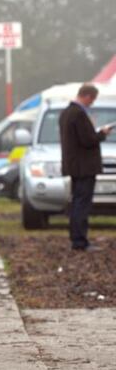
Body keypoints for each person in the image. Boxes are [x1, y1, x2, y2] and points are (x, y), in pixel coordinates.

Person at [60, 83, 112, 251]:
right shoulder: (79, 114)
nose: (92, 103)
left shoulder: (66, 113)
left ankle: (76, 238)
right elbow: (88, 140)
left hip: (74, 165)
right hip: (85, 166)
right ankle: (80, 241)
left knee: (77, 202)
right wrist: (102, 133)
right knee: (82, 203)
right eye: (92, 99)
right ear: (87, 96)